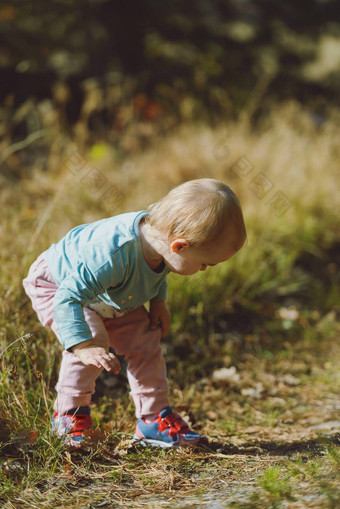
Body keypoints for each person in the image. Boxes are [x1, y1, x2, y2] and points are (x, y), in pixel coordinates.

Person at [23, 178, 246, 448]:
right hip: (58, 286)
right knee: (94, 339)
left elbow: (157, 271)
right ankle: (69, 417)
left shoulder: (162, 243)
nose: (203, 270)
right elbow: (67, 297)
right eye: (204, 264)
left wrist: (158, 304)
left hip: (110, 294)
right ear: (179, 246)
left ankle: (153, 420)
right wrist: (83, 346)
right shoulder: (111, 254)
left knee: (146, 340)